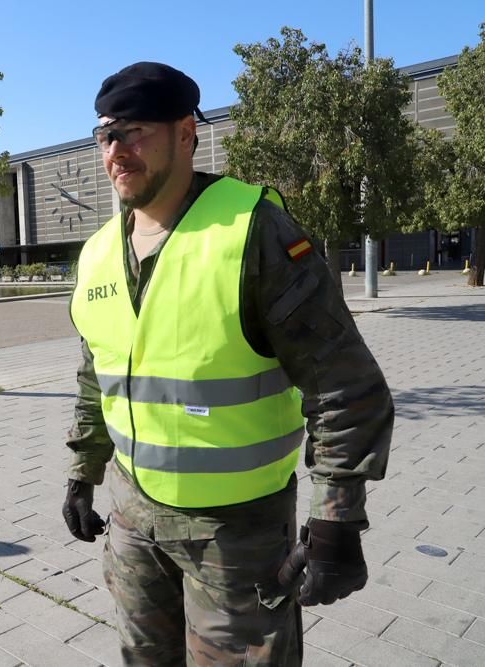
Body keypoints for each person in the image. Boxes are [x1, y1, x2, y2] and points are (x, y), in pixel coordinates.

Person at [62, 62, 394, 666]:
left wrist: (338, 520)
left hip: (237, 533)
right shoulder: (98, 253)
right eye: (107, 136)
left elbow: (342, 383)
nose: (118, 151)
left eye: (136, 132)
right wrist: (84, 470)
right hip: (134, 519)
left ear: (186, 132)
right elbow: (97, 371)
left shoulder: (253, 230)